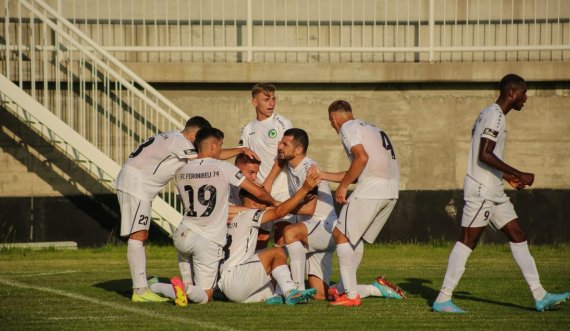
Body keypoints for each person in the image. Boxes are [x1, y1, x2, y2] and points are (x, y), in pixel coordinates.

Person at [432, 74, 569, 313]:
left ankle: (540, 294)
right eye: (523, 93)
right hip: (482, 190)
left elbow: (483, 155)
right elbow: (484, 154)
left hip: (493, 189)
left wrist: (507, 177)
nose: (526, 98)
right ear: (511, 93)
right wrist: (520, 173)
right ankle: (443, 299)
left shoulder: (488, 113)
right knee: (468, 240)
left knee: (518, 234)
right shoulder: (495, 116)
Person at [115, 117, 258, 303]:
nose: (199, 145)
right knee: (138, 236)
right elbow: (209, 156)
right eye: (197, 140)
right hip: (136, 185)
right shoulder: (180, 142)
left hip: (136, 184)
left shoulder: (173, 138)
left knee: (141, 235)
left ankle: (145, 284)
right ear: (192, 134)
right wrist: (241, 150)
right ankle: (141, 290)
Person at [265, 128, 405, 302]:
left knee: (290, 232)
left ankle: (296, 291)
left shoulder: (309, 169)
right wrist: (268, 183)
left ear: (299, 150)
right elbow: (280, 160)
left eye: (285, 144)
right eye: (280, 143)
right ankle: (376, 288)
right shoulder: (289, 162)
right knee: (321, 295)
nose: (280, 146)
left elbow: (309, 209)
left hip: (325, 228)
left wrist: (281, 207)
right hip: (311, 232)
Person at [169, 127, 277, 306]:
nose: (221, 150)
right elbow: (258, 192)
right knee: (205, 296)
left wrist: (241, 150)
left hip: (182, 233)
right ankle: (183, 288)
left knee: (187, 288)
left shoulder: (181, 170)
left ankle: (155, 286)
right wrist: (273, 203)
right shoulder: (223, 167)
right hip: (205, 238)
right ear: (212, 146)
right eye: (220, 146)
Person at [322, 100, 401, 306]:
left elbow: (361, 158)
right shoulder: (372, 128)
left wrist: (342, 187)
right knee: (354, 239)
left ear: (333, 119)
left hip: (372, 189)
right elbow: (357, 171)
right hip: (391, 191)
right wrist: (323, 175)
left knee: (340, 235)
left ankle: (350, 295)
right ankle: (350, 288)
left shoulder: (348, 128)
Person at [217, 164, 322, 304]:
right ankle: (291, 292)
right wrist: (305, 189)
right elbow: (280, 211)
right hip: (236, 278)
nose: (267, 198)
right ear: (255, 200)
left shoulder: (234, 214)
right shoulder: (249, 215)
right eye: (263, 196)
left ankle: (278, 295)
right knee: (278, 252)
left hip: (228, 284)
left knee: (279, 269)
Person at [238, 83, 294, 248]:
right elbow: (242, 159)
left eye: (273, 99)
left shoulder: (282, 123)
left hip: (282, 188)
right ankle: (260, 273)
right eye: (266, 99)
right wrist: (250, 188)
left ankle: (284, 273)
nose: (271, 103)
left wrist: (268, 182)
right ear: (254, 102)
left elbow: (285, 155)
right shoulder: (248, 128)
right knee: (259, 237)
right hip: (259, 191)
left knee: (282, 235)